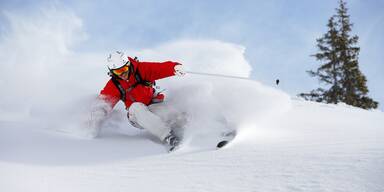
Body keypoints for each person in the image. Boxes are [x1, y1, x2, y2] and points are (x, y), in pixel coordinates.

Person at [88, 51, 185, 150]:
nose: (122, 74)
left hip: (153, 106)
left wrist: (174, 68)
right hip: (136, 115)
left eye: (124, 69)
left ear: (128, 65)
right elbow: (104, 101)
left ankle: (183, 129)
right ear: (112, 71)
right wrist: (98, 113)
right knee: (136, 107)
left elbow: (160, 68)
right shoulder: (114, 85)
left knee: (172, 114)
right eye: (117, 71)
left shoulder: (142, 69)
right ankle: (168, 137)